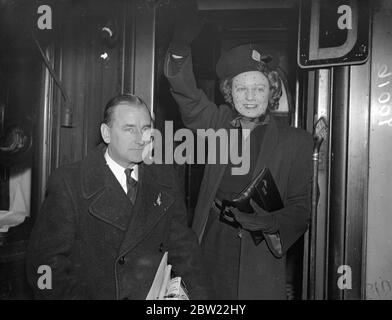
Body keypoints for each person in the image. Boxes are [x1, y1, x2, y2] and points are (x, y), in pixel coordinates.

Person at [164, 10, 313, 300]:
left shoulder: (297, 142)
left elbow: (301, 208)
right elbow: (188, 96)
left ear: (271, 91)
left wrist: (269, 222)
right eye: (241, 88)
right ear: (229, 92)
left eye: (259, 88)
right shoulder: (217, 122)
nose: (250, 96)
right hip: (211, 240)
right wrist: (180, 48)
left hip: (260, 249)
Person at [26, 93, 212, 300]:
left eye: (145, 129)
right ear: (106, 133)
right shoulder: (69, 182)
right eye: (129, 129)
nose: (141, 139)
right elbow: (43, 264)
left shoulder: (164, 177)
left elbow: (185, 252)